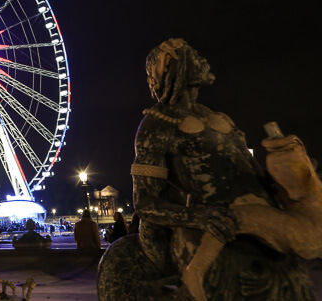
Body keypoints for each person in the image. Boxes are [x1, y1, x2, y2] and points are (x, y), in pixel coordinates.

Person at [127, 38, 314, 299]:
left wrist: (293, 171)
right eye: (195, 56)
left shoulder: (218, 116)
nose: (203, 61)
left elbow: (257, 177)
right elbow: (144, 203)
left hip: (262, 223)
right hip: (218, 228)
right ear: (174, 67)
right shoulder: (155, 125)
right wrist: (201, 217)